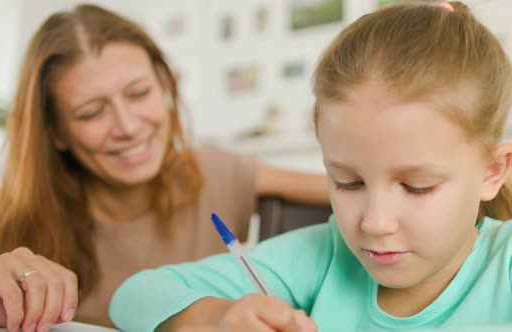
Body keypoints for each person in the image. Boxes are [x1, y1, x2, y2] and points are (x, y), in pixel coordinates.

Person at [0, 3, 330, 331]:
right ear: (56, 132)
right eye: (90, 113)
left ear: (165, 86)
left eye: (139, 93)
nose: (128, 127)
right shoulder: (9, 211)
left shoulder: (215, 171)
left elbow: (356, 188)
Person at [110, 1, 512, 331]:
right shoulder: (328, 255)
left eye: (417, 186)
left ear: (492, 172)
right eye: (348, 182)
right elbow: (136, 295)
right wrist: (217, 318)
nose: (374, 222)